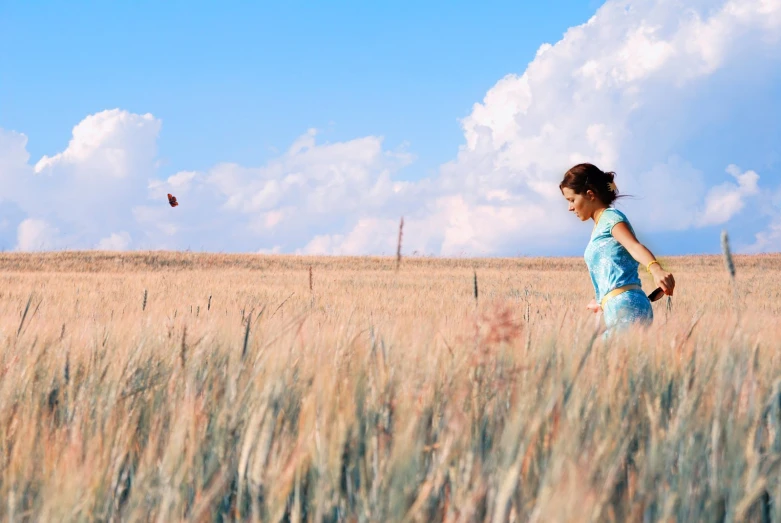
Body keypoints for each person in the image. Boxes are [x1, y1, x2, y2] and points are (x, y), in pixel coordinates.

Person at [559, 163, 675, 336]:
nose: (570, 207)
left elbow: (634, 246)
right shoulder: (599, 227)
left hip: (627, 306)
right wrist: (602, 301)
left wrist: (656, 269)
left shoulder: (611, 217)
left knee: (599, 357)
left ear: (590, 195)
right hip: (616, 308)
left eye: (572, 200)